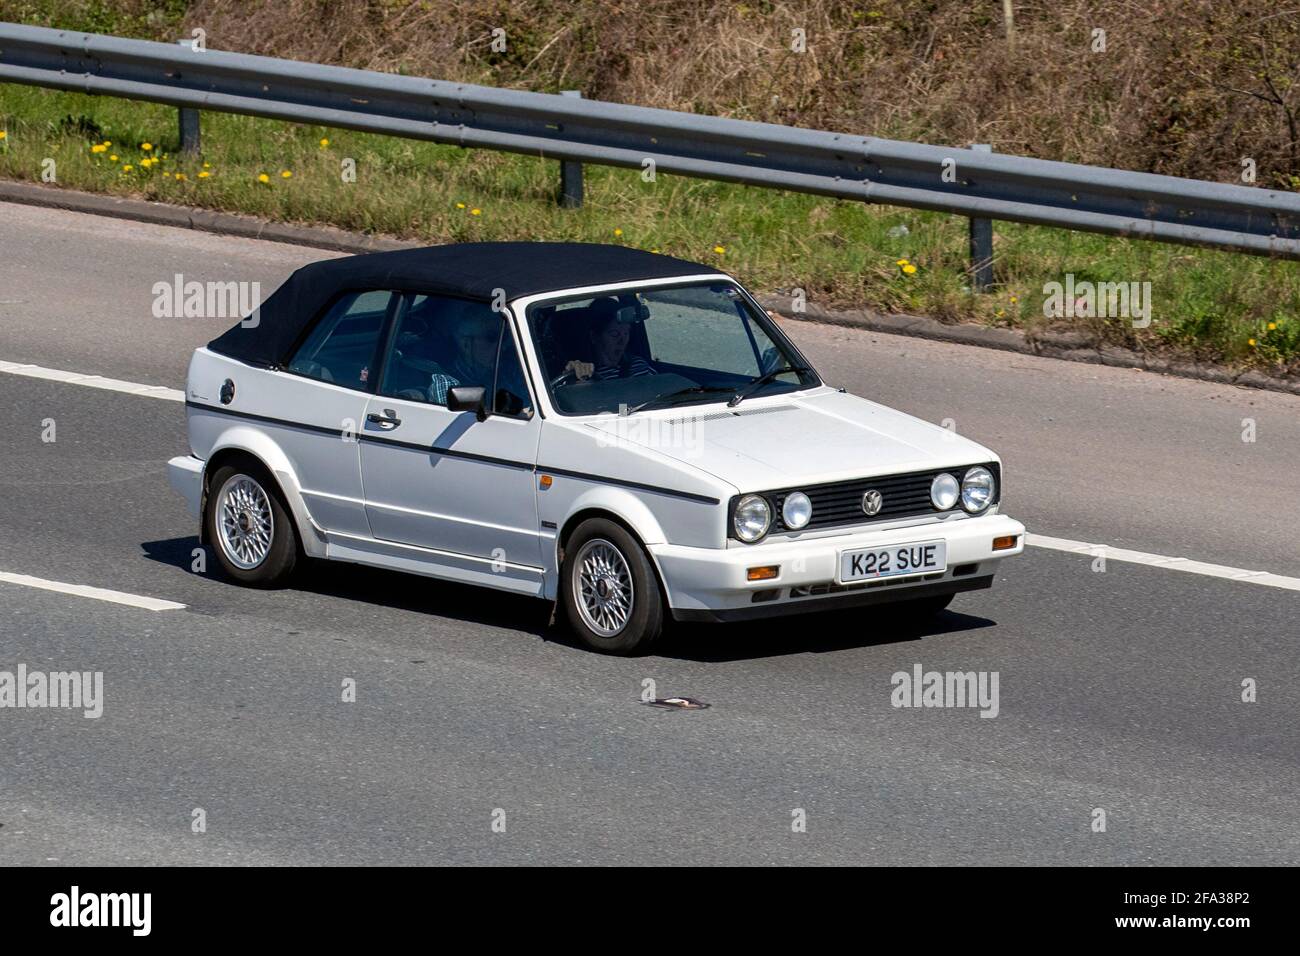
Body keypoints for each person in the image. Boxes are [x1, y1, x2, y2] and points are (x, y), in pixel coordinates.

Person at [561, 300, 656, 382]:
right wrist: (575, 379)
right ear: (594, 337)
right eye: (614, 334)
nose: (622, 341)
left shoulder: (639, 367)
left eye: (626, 333)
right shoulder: (582, 373)